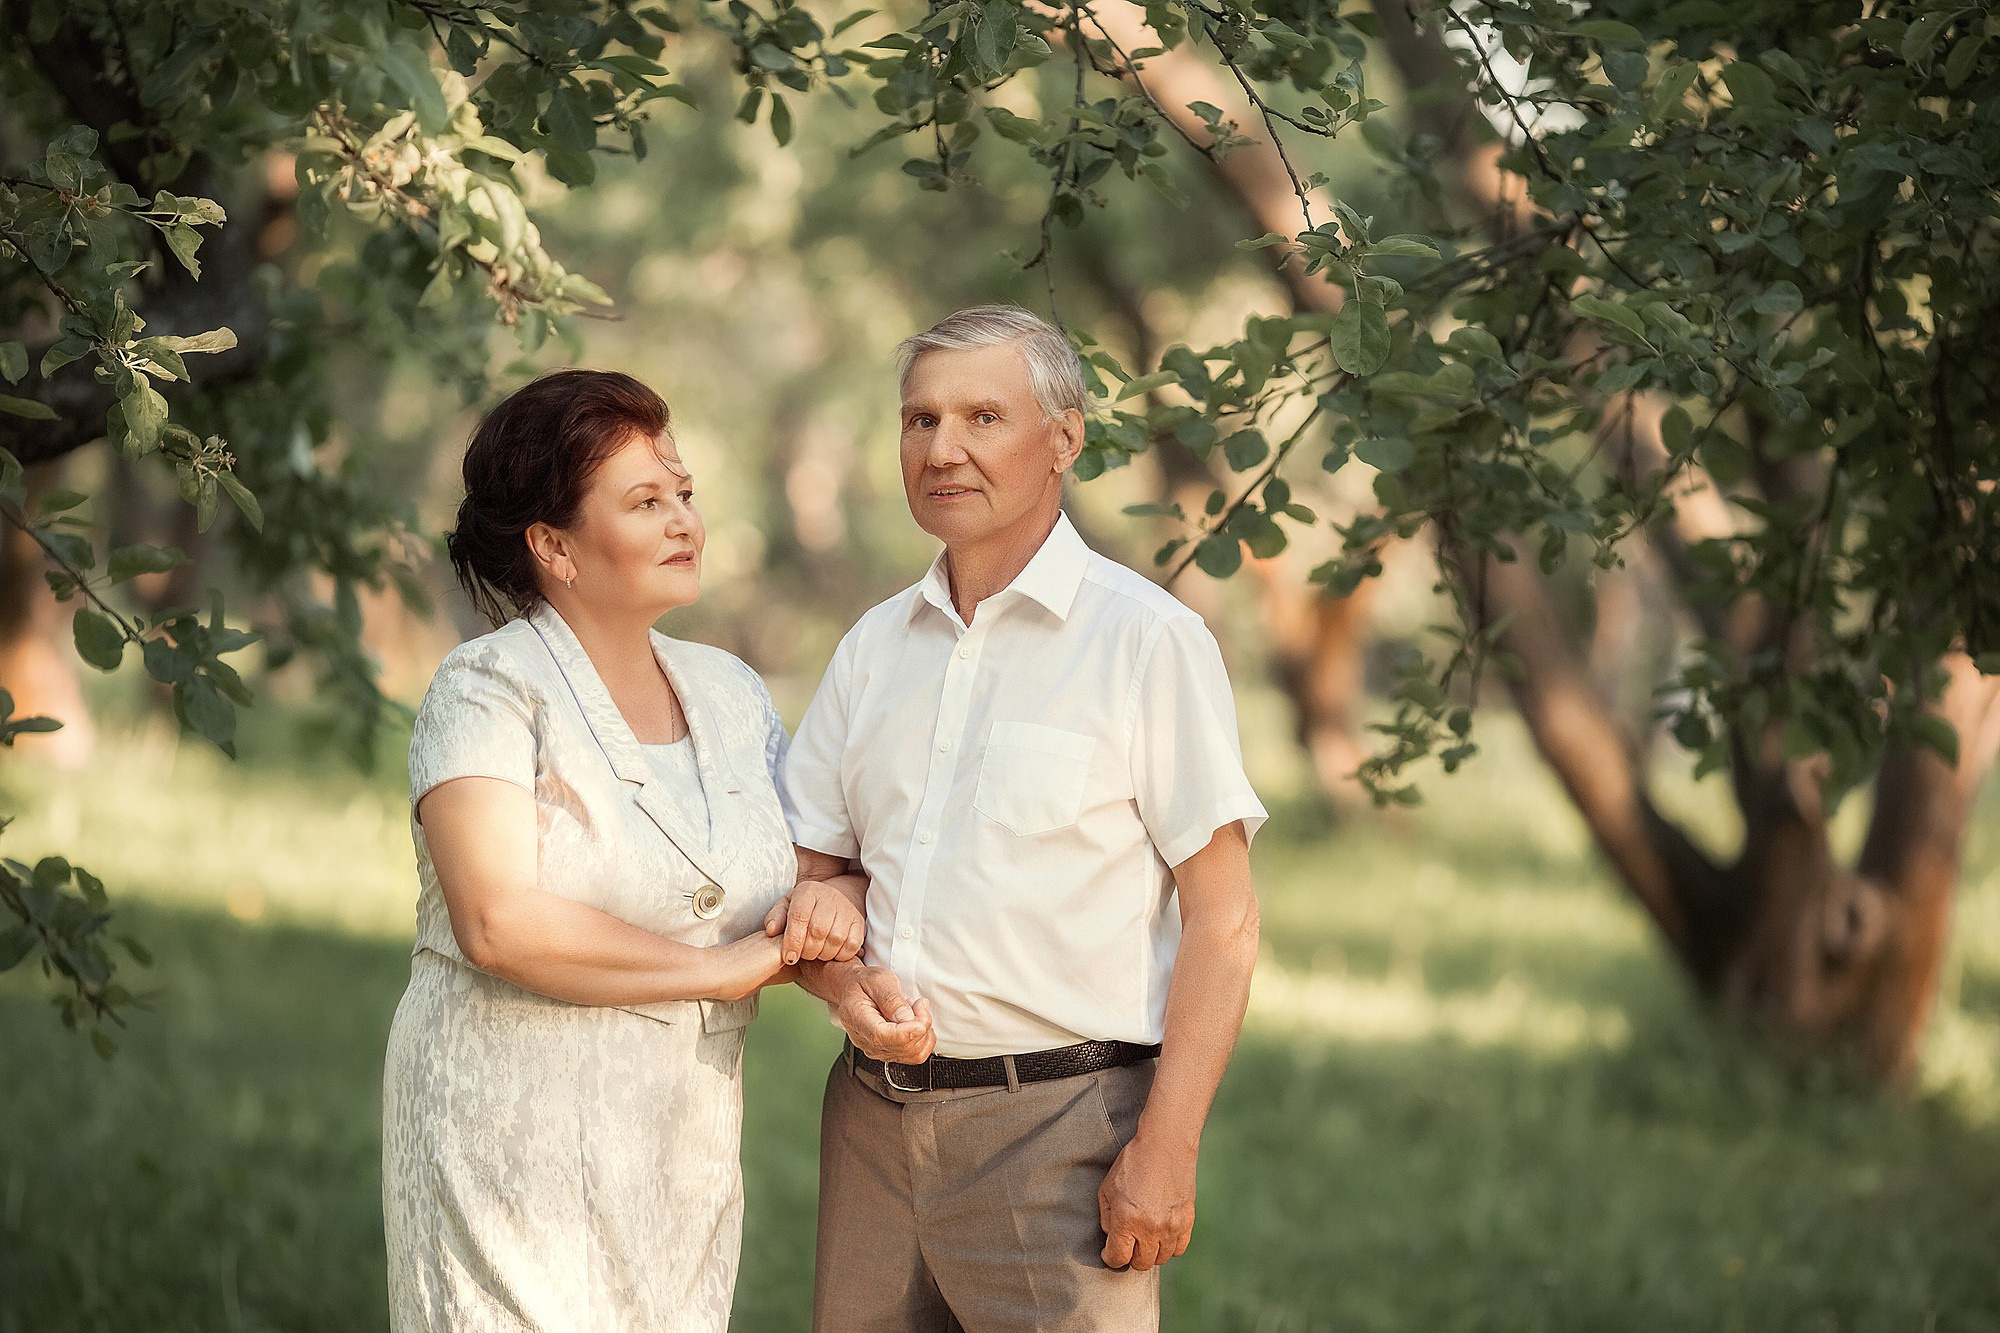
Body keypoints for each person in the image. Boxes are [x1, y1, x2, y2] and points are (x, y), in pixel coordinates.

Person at [783, 306, 1268, 1331]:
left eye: (980, 417)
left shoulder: (1146, 643)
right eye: (918, 420)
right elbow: (810, 879)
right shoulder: (872, 647)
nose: (940, 449)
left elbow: (1223, 920)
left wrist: (1165, 1149)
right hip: (870, 1123)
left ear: (1064, 436)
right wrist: (839, 975)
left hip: (1063, 1131)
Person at [381, 369, 863, 1333]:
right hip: (508, 1130)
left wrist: (840, 915)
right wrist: (717, 969)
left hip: (677, 1135)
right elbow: (497, 919)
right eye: (647, 501)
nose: (684, 519)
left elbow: (804, 872)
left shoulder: (730, 691)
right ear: (553, 545)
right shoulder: (486, 686)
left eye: (684, 493)